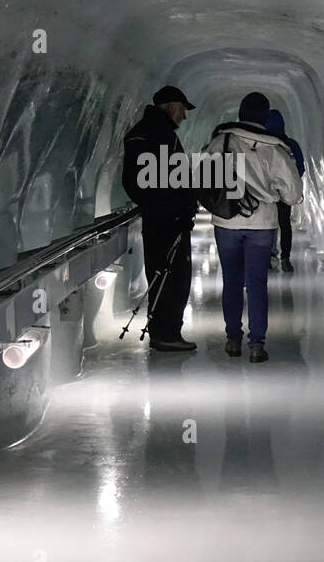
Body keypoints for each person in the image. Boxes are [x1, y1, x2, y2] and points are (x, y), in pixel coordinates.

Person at [203, 92, 303, 363]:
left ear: (241, 113)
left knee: (231, 282)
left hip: (226, 221)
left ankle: (232, 339)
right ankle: (257, 344)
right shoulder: (277, 150)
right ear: (264, 117)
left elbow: (203, 176)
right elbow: (293, 195)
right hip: (262, 224)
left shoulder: (221, 141)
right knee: (257, 283)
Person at [121, 86, 199, 351]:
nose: (184, 117)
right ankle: (167, 334)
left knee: (159, 274)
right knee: (173, 278)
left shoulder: (142, 133)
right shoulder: (160, 135)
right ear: (172, 105)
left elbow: (135, 182)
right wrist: (176, 206)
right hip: (169, 220)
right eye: (183, 109)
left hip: (160, 217)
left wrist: (156, 204)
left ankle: (162, 331)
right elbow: (166, 179)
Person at [264, 108, 304, 273]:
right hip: (285, 192)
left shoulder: (263, 144)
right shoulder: (291, 144)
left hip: (267, 192)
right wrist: (292, 184)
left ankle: (269, 256)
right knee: (285, 224)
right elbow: (300, 167)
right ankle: (285, 258)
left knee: (268, 224)